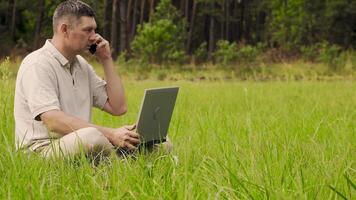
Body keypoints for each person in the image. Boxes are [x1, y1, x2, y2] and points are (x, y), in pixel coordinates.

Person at [14, 0, 170, 159]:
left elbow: (118, 107)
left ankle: (122, 167)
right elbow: (52, 120)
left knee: (158, 142)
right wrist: (111, 134)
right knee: (92, 137)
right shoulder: (38, 64)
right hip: (42, 150)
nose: (94, 36)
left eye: (94, 30)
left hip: (83, 145)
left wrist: (106, 59)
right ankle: (120, 169)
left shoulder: (81, 65)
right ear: (65, 30)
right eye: (87, 30)